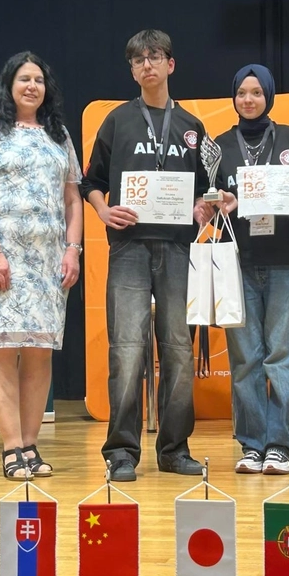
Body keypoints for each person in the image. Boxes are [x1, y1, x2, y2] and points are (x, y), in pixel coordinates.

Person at [80, 29, 212, 482]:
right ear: (132, 70)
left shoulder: (192, 127)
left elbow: (206, 188)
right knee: (127, 351)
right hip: (129, 248)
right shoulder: (117, 120)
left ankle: (174, 449)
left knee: (178, 351)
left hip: (177, 248)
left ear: (170, 64)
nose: (147, 65)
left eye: (155, 57)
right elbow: (91, 181)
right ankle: (121, 452)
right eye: (138, 60)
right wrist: (103, 210)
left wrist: (201, 207)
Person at [0, 51, 82, 479]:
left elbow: (72, 199)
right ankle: (11, 447)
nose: (32, 86)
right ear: (9, 85)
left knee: (39, 352)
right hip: (0, 257)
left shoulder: (59, 135)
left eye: (39, 80)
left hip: (48, 262)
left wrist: (72, 249)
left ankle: (31, 445)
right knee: (1, 348)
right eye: (24, 79)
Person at [209, 64, 289, 475]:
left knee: (282, 357)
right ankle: (252, 445)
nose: (248, 99)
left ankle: (279, 447)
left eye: (256, 92)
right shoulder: (220, 145)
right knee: (245, 359)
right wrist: (218, 204)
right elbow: (209, 206)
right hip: (238, 263)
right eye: (242, 92)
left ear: (269, 96)